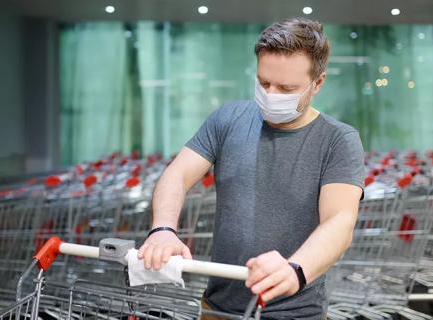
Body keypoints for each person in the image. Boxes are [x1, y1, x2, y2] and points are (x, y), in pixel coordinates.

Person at [138, 17, 365, 319]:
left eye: (286, 87)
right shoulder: (229, 118)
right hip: (218, 308)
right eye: (263, 82)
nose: (271, 94)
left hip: (295, 312)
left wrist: (296, 270)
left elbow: (339, 221)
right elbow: (177, 175)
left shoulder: (338, 139)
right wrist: (163, 229)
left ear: (318, 83)